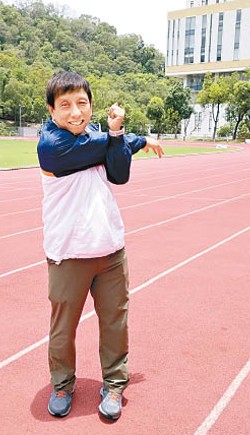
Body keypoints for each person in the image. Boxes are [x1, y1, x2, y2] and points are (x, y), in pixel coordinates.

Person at [37, 71, 163, 421]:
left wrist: (122, 138)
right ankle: (62, 383)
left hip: (110, 252)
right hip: (69, 255)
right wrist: (124, 137)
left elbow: (119, 174)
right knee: (63, 328)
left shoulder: (98, 137)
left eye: (82, 103)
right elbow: (100, 147)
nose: (76, 112)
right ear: (51, 110)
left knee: (115, 323)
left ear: (91, 106)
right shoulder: (52, 146)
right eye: (65, 105)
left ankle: (114, 384)